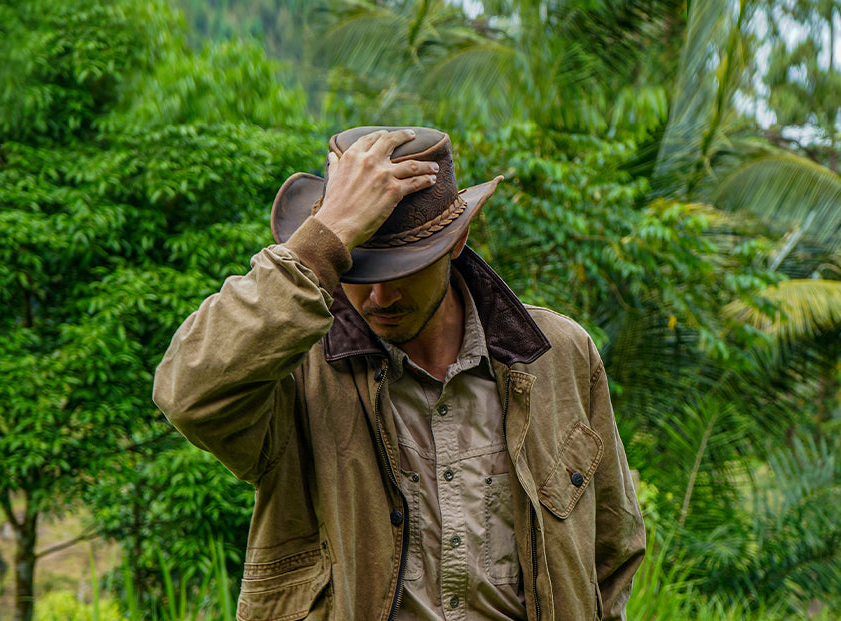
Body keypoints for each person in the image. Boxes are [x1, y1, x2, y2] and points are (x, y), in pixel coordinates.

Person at [153, 126, 646, 621]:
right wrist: (324, 239)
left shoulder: (556, 354)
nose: (379, 299)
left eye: (404, 268)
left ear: (457, 242)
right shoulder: (294, 372)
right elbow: (187, 391)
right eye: (360, 273)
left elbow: (612, 549)